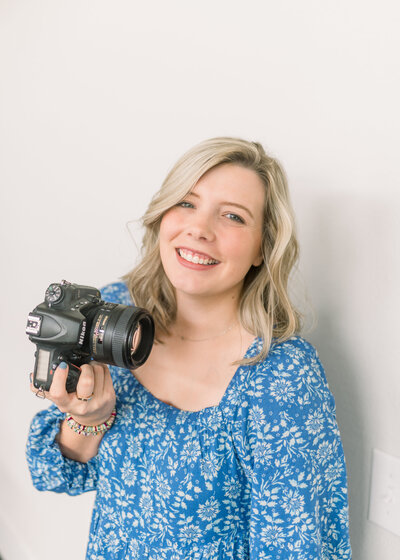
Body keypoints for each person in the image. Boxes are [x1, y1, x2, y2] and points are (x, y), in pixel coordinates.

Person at [26, 137, 352, 559]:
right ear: (163, 216)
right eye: (186, 203)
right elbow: (51, 472)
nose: (199, 229)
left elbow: (298, 548)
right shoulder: (116, 316)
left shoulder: (281, 376)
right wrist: (87, 417)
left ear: (262, 248)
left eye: (233, 216)